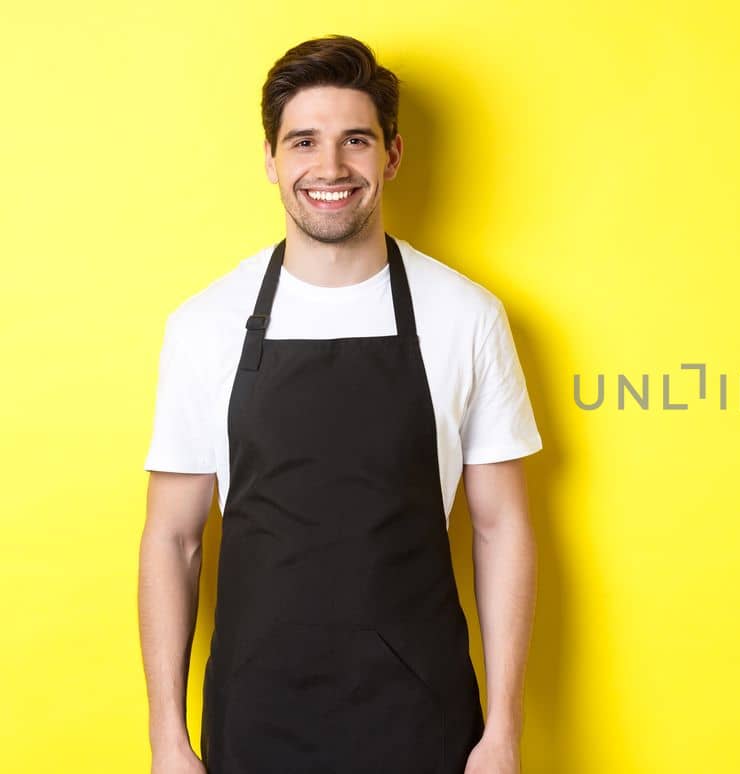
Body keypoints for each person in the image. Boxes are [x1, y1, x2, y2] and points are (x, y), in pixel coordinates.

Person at [136, 35, 539, 774]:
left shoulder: (465, 315)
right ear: (270, 159)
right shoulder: (205, 325)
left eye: (355, 140)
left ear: (392, 155)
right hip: (253, 718)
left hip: (423, 717)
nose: (330, 168)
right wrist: (168, 739)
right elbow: (173, 539)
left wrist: (502, 733)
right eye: (304, 142)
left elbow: (501, 526)